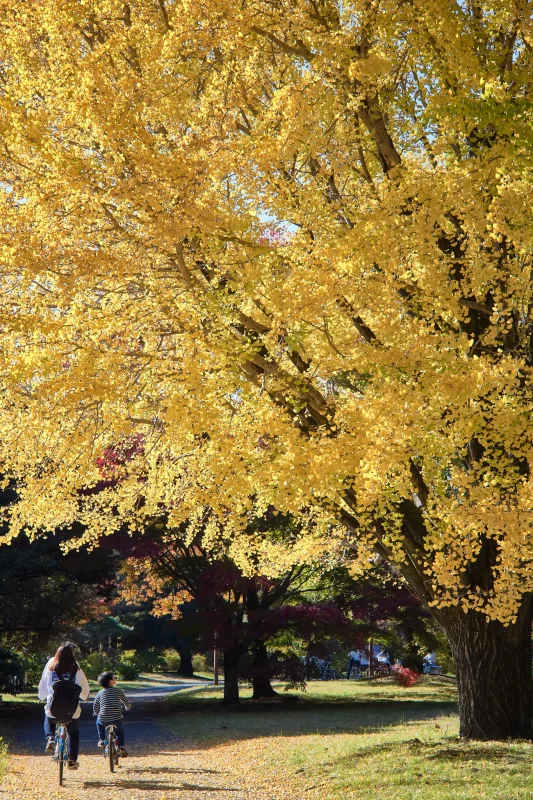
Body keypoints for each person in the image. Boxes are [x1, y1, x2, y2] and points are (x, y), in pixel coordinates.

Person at [38, 642, 90, 770]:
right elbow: (85, 692)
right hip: (72, 709)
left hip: (53, 708)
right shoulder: (76, 668)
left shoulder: (50, 666)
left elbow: (42, 689)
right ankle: (72, 759)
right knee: (73, 732)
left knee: (49, 718)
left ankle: (50, 737)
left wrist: (42, 696)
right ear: (72, 654)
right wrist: (84, 697)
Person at [93, 671, 132, 756]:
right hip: (117, 718)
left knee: (98, 722)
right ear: (111, 681)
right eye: (113, 678)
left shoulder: (100, 693)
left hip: (103, 718)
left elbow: (95, 706)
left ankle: (102, 740)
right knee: (119, 732)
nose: (115, 679)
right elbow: (126, 701)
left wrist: (96, 713)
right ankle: (121, 747)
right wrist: (127, 707)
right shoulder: (118, 690)